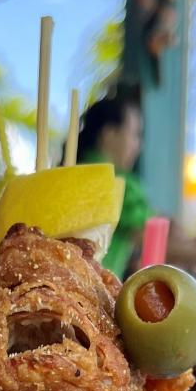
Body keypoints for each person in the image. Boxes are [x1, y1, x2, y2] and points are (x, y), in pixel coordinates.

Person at [75, 92, 148, 277]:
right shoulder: (118, 182)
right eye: (134, 135)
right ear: (110, 134)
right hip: (100, 291)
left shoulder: (72, 173)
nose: (138, 145)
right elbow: (151, 238)